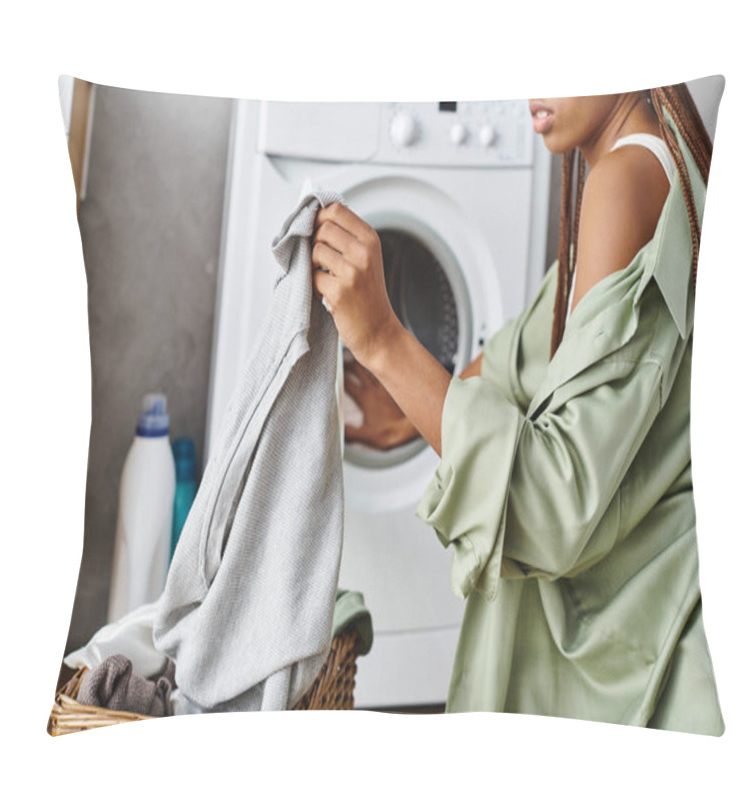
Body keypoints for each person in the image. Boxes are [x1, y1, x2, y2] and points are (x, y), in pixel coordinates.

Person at [310, 85, 724, 735]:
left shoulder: (621, 180)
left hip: (643, 652)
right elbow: (529, 354)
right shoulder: (656, 159)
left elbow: (551, 507)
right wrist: (407, 409)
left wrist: (383, 341)